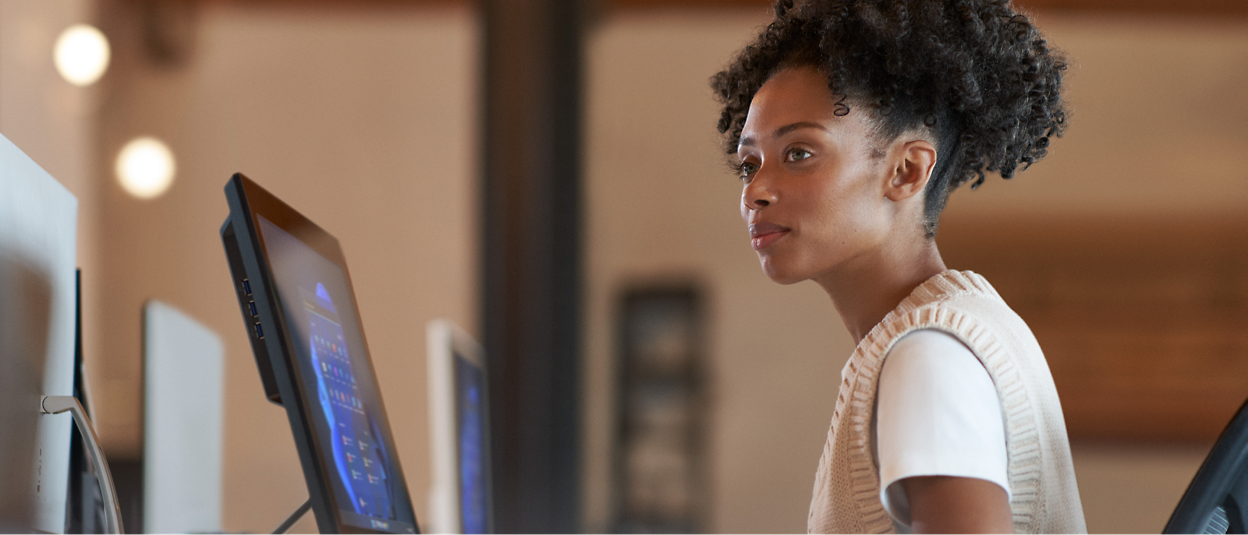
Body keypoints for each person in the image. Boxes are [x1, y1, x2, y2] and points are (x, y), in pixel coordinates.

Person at [710, 0, 1086, 533]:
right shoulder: (960, 328)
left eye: (799, 152)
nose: (756, 191)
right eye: (749, 164)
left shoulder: (929, 358)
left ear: (907, 171)